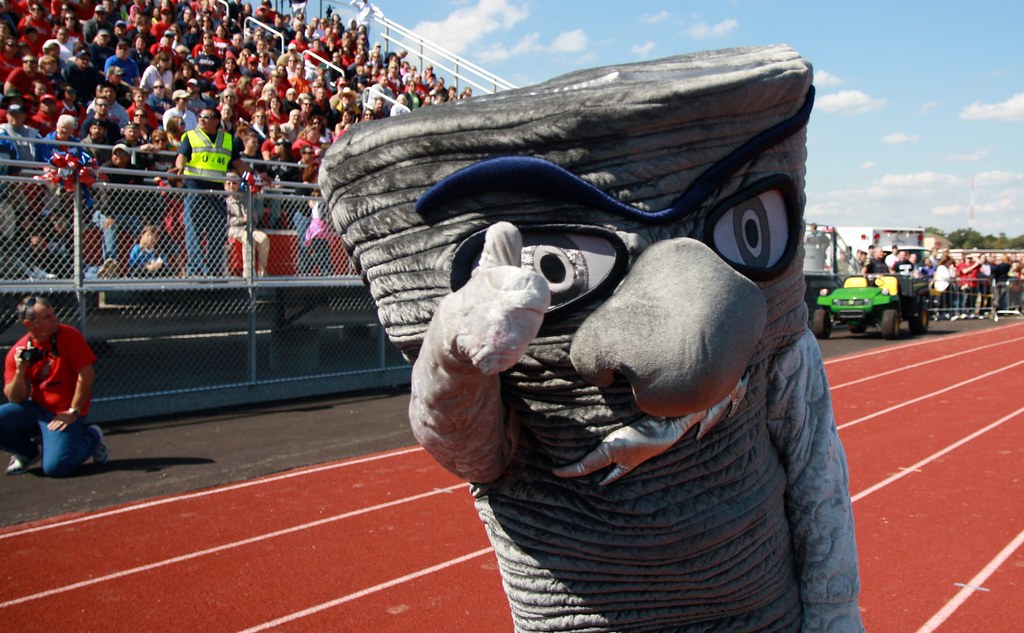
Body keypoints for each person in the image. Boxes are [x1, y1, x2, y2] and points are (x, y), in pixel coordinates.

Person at [0, 295, 108, 476]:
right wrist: (20, 370)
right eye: (47, 317)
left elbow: (87, 375)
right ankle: (27, 454)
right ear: (29, 324)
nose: (54, 320)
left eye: (53, 314)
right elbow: (15, 398)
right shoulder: (19, 351)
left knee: (56, 467)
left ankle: (92, 437)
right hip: (37, 408)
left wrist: (73, 411)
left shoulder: (69, 336)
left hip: (66, 410)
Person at [170, 106, 259, 276]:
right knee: (194, 230)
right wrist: (179, 167)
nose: (202, 120)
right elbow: (181, 156)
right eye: (200, 116)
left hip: (217, 190)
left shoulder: (227, 139)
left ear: (217, 121)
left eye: (206, 117)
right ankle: (195, 270)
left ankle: (214, 270)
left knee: (217, 230)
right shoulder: (191, 136)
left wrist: (254, 176)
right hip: (195, 188)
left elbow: (238, 164)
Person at [225, 176, 269, 277]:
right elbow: (227, 220)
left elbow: (255, 216)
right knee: (248, 238)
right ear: (225, 186)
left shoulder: (245, 200)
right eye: (229, 183)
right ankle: (249, 271)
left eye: (234, 183)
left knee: (264, 238)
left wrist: (251, 217)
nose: (231, 186)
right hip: (235, 229)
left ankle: (262, 271)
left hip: (249, 228)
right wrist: (242, 219)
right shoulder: (225, 202)